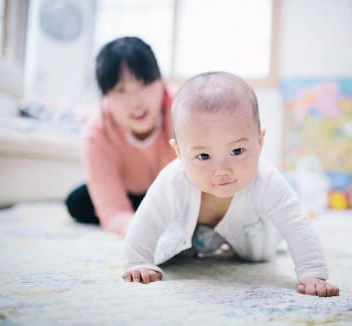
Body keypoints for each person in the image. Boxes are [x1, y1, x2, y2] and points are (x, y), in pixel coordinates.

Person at [122, 72, 339, 297]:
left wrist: (312, 272)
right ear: (179, 152)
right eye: (204, 156)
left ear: (259, 142)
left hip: (255, 241)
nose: (222, 169)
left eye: (236, 151)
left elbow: (295, 224)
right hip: (190, 246)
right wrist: (138, 261)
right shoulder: (173, 180)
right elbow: (147, 218)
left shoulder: (267, 181)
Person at [65, 36, 176, 237]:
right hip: (131, 193)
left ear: (162, 81)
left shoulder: (184, 110)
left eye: (144, 84)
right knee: (77, 202)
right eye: (120, 90)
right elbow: (113, 211)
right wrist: (142, 233)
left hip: (176, 193)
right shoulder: (96, 133)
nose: (136, 102)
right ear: (106, 97)